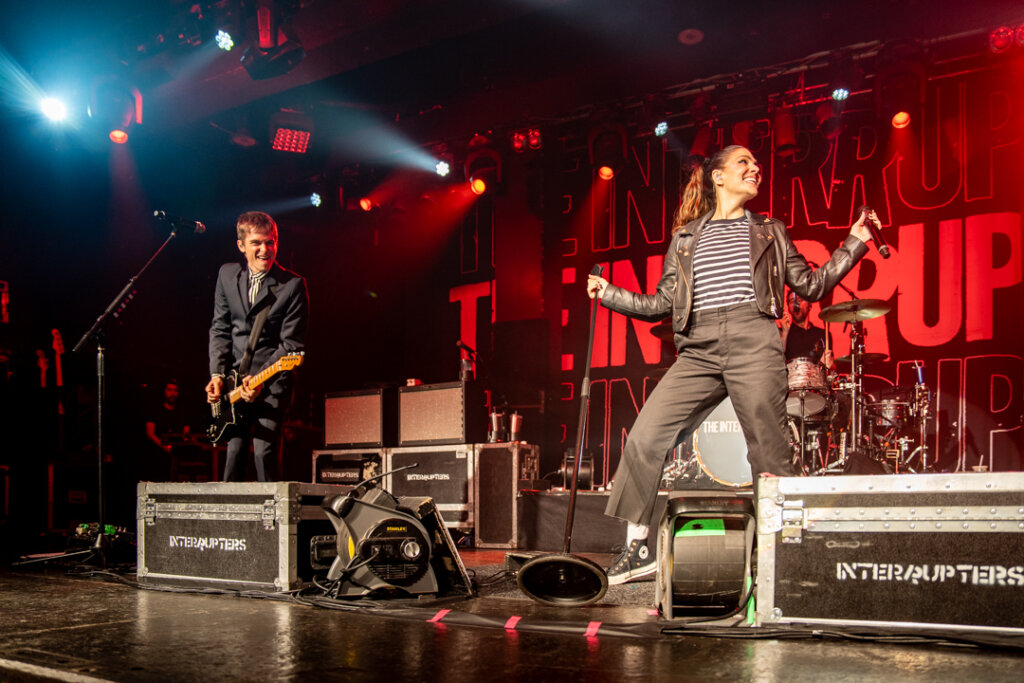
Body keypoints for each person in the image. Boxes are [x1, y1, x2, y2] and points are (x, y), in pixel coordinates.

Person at [586, 145, 876, 584]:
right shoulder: (685, 238)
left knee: (769, 449)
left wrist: (855, 242)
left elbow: (812, 286)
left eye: (757, 164)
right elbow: (662, 303)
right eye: (744, 162)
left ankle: (787, 553)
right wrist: (610, 293)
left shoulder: (769, 230)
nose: (755, 168)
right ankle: (639, 546)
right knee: (645, 438)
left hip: (753, 339)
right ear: (717, 177)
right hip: (698, 347)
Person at [205, 211, 308, 482]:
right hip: (233, 385)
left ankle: (273, 521)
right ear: (241, 245)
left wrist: (261, 378)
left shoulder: (292, 286)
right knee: (234, 454)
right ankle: (230, 520)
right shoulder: (227, 275)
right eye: (257, 243)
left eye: (271, 242)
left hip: (272, 382)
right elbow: (220, 328)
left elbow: (291, 344)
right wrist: (217, 375)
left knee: (264, 453)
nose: (265, 250)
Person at [781, 290, 833, 369]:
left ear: (810, 305)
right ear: (788, 307)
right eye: (792, 301)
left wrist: (829, 365)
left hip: (817, 379)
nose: (796, 304)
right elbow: (775, 360)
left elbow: (832, 370)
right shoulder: (783, 333)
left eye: (799, 300)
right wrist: (784, 332)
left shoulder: (823, 334)